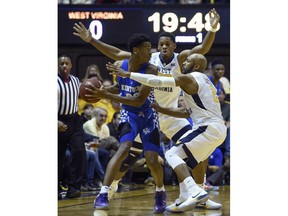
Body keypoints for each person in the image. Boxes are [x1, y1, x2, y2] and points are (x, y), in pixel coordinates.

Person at [73, 7, 222, 211]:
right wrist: (91, 40)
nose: (162, 47)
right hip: (146, 111)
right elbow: (116, 52)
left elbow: (202, 50)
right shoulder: (148, 59)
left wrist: (212, 28)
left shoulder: (181, 59)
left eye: (167, 44)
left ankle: (197, 194)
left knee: (198, 153)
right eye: (160, 44)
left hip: (169, 114)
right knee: (129, 159)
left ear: (174, 46)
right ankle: (113, 185)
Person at [107, 53, 227, 212]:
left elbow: (158, 81)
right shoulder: (206, 81)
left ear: (197, 66)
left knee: (172, 154)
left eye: (189, 61)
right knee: (191, 158)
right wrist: (161, 109)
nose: (184, 62)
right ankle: (184, 199)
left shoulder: (189, 78)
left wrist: (128, 74)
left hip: (207, 128)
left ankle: (196, 191)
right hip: (216, 129)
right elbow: (186, 111)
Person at [84, 33, 166, 213]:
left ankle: (160, 192)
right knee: (124, 148)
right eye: (146, 49)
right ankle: (103, 193)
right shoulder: (121, 65)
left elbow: (138, 99)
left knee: (152, 161)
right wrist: (103, 91)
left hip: (147, 114)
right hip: (129, 114)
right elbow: (119, 88)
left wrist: (108, 95)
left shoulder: (151, 70)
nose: (150, 52)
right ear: (135, 51)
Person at [58, 54, 87, 199]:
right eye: (61, 63)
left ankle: (74, 187)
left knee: (79, 152)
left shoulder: (76, 80)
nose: (64, 66)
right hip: (58, 120)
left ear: (71, 66)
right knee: (58, 156)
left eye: (66, 63)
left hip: (75, 120)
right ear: (57, 66)